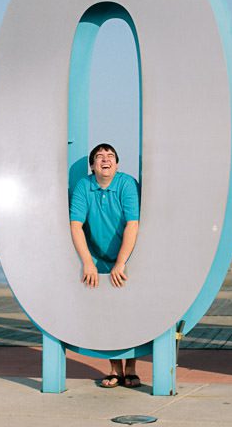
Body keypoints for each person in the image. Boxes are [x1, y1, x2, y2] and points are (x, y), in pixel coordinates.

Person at [69, 143, 141, 388]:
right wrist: (87, 262)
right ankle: (114, 369)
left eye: (110, 156)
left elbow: (133, 223)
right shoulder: (84, 186)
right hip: (97, 257)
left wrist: (121, 262)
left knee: (130, 313)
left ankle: (130, 367)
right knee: (107, 314)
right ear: (92, 166)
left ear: (117, 164)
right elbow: (76, 225)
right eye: (99, 157)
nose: (105, 159)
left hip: (129, 255)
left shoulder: (126, 184)